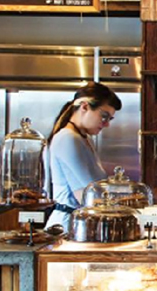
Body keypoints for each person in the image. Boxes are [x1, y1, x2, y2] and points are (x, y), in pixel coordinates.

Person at [44, 83, 122, 227]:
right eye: (104, 116)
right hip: (69, 224)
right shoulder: (68, 138)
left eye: (109, 119)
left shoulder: (84, 138)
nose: (106, 125)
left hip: (81, 222)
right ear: (84, 107)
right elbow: (87, 195)